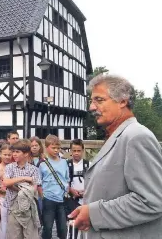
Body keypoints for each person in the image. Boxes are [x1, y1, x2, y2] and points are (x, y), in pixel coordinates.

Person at [70, 74, 162, 238]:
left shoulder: (136, 136)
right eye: (92, 101)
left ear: (122, 101)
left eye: (99, 100)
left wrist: (93, 213)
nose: (92, 107)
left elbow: (152, 201)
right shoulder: (118, 136)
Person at [3, 139, 41, 239]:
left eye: (17, 152)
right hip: (12, 206)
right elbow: (6, 182)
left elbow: (33, 189)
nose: (14, 154)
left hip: (28, 208)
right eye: (13, 152)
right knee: (14, 236)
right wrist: (24, 179)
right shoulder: (9, 167)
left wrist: (15, 184)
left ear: (26, 154)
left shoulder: (34, 169)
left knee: (31, 236)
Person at [39, 135, 69, 239]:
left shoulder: (64, 162)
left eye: (58, 148)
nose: (56, 150)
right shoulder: (42, 164)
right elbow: (39, 182)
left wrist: (66, 191)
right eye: (53, 148)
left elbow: (67, 178)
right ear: (47, 147)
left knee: (62, 228)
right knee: (47, 227)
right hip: (48, 198)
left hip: (61, 199)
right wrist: (42, 195)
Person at [66, 139, 89, 239]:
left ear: (83, 151)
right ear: (71, 151)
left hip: (86, 199)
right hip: (71, 200)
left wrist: (86, 191)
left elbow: (93, 181)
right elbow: (62, 181)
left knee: (85, 225)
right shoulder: (66, 165)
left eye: (78, 150)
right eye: (74, 150)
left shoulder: (89, 164)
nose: (76, 153)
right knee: (73, 225)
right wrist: (71, 190)